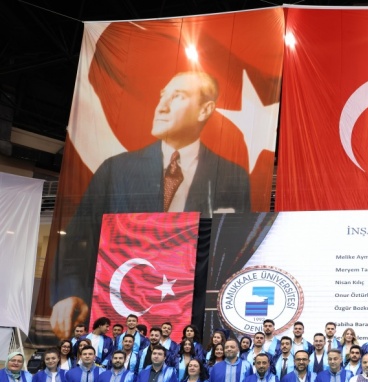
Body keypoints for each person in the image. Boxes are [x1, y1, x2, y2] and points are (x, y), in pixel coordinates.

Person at [49, 70, 251, 341]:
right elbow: (76, 242)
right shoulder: (115, 171)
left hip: (191, 320)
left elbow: (234, 253)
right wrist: (70, 293)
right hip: (120, 313)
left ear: (205, 110)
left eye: (177, 96)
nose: (161, 107)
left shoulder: (232, 177)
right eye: (162, 95)